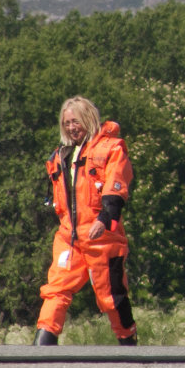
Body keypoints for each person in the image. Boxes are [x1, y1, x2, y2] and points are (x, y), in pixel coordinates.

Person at [35, 96, 138, 345]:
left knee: (110, 295)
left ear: (88, 119)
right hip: (69, 235)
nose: (72, 127)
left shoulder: (111, 149)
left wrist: (105, 218)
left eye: (76, 121)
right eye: (67, 122)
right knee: (56, 289)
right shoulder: (61, 154)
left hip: (101, 234)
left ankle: (129, 344)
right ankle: (41, 347)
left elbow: (116, 185)